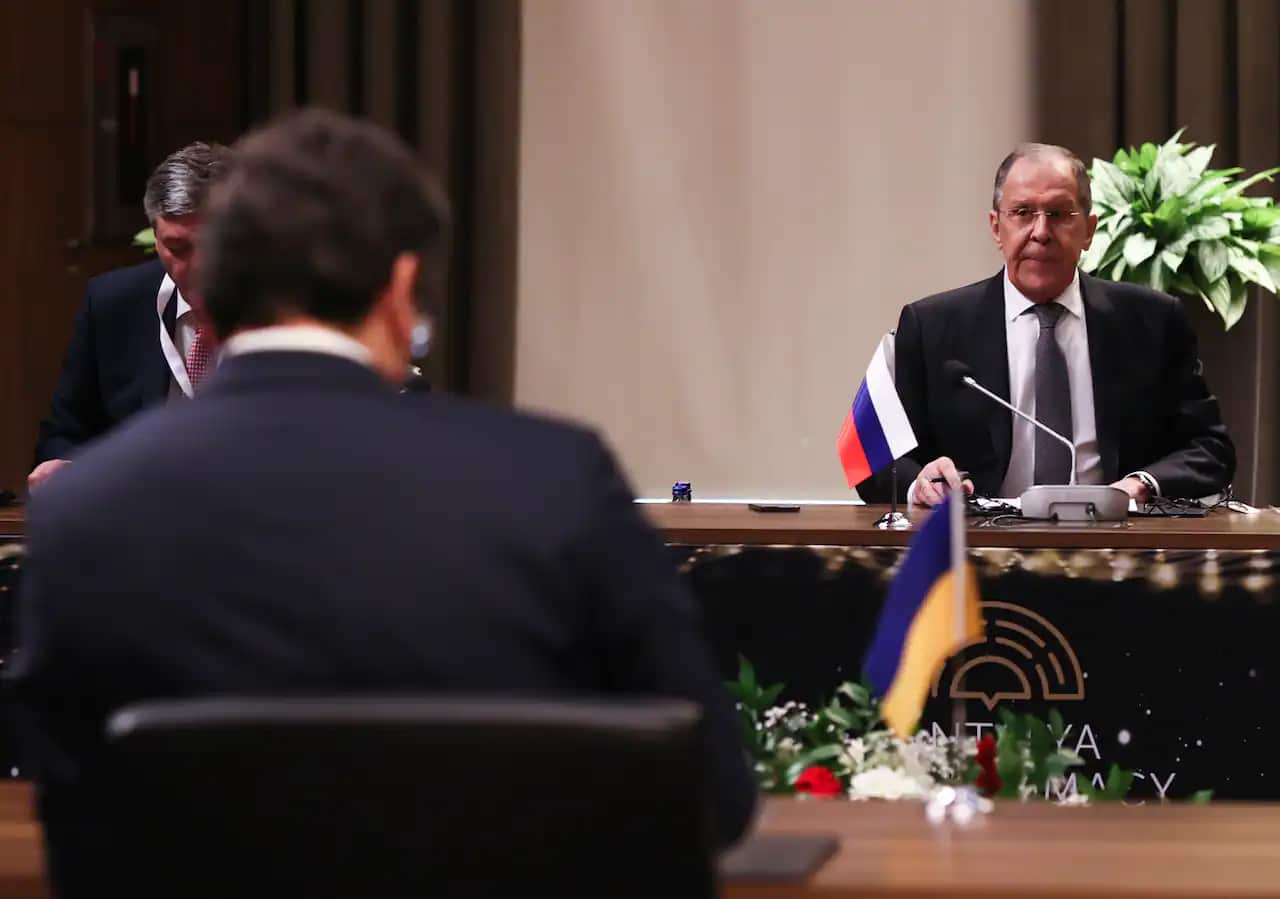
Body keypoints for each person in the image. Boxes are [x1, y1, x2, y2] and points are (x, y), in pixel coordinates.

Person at [9, 109, 756, 894]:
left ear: (213, 288)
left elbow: (77, 827)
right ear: (400, 289)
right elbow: (710, 796)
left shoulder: (82, 512)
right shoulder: (555, 479)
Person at [872, 142, 1234, 506]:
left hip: (1117, 542)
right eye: (1023, 212)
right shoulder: (932, 326)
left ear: (1089, 230)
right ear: (997, 227)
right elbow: (877, 460)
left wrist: (1140, 484)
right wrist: (920, 484)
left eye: (1060, 214)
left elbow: (1210, 449)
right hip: (978, 543)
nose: (1041, 232)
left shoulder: (1152, 321)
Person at [29, 142, 231, 489]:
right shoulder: (114, 302)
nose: (197, 267)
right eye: (178, 249)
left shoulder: (294, 310)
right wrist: (65, 467)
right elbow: (63, 433)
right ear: (155, 238)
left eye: (213, 246)